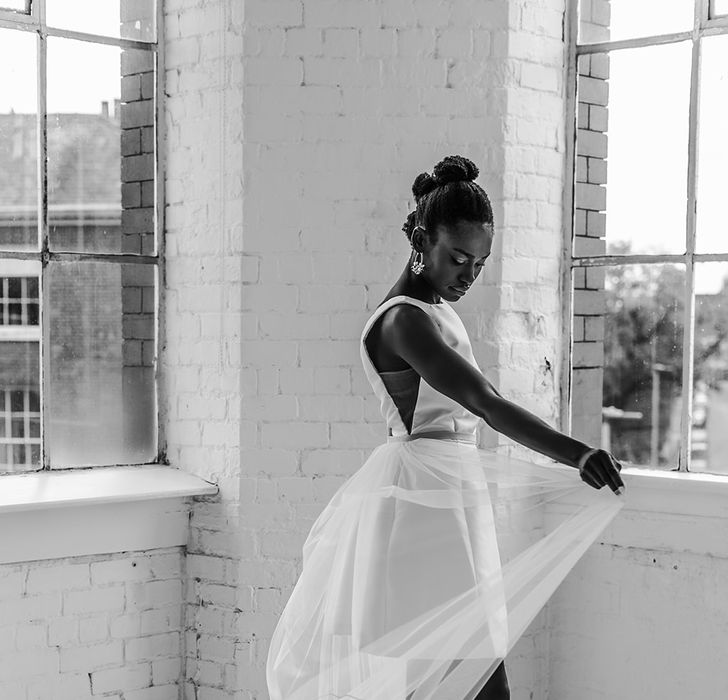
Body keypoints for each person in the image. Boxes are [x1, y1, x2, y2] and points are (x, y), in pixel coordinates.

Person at [266, 155, 625, 700]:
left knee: (461, 666)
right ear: (420, 238)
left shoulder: (440, 311)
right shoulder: (403, 319)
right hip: (419, 507)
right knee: (447, 669)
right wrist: (576, 453)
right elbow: (485, 402)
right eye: (458, 258)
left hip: (454, 497)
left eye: (479, 264)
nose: (468, 276)